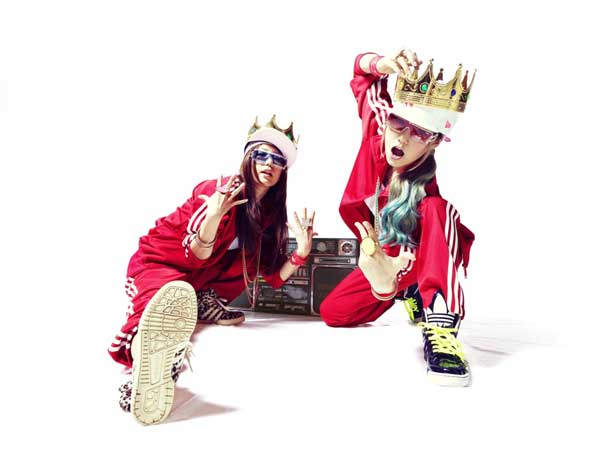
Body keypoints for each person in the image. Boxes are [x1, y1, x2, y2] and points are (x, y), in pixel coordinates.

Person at [109, 116, 317, 424]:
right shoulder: (216, 191)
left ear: (283, 171)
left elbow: (272, 278)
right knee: (155, 309)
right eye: (262, 154)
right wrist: (214, 215)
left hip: (199, 279)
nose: (269, 164)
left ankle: (202, 300)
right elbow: (195, 256)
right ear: (248, 157)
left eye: (278, 160)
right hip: (160, 263)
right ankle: (144, 371)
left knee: (243, 266)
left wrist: (302, 253)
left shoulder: (268, 217)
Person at [320, 49, 476, 386]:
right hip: (386, 257)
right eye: (398, 123)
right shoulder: (378, 130)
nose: (403, 137)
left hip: (422, 257)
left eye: (419, 132)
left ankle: (440, 323)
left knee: (438, 209)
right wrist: (381, 64)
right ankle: (411, 293)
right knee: (333, 313)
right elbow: (361, 74)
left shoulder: (425, 192)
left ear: (434, 143)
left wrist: (396, 275)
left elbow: (422, 244)